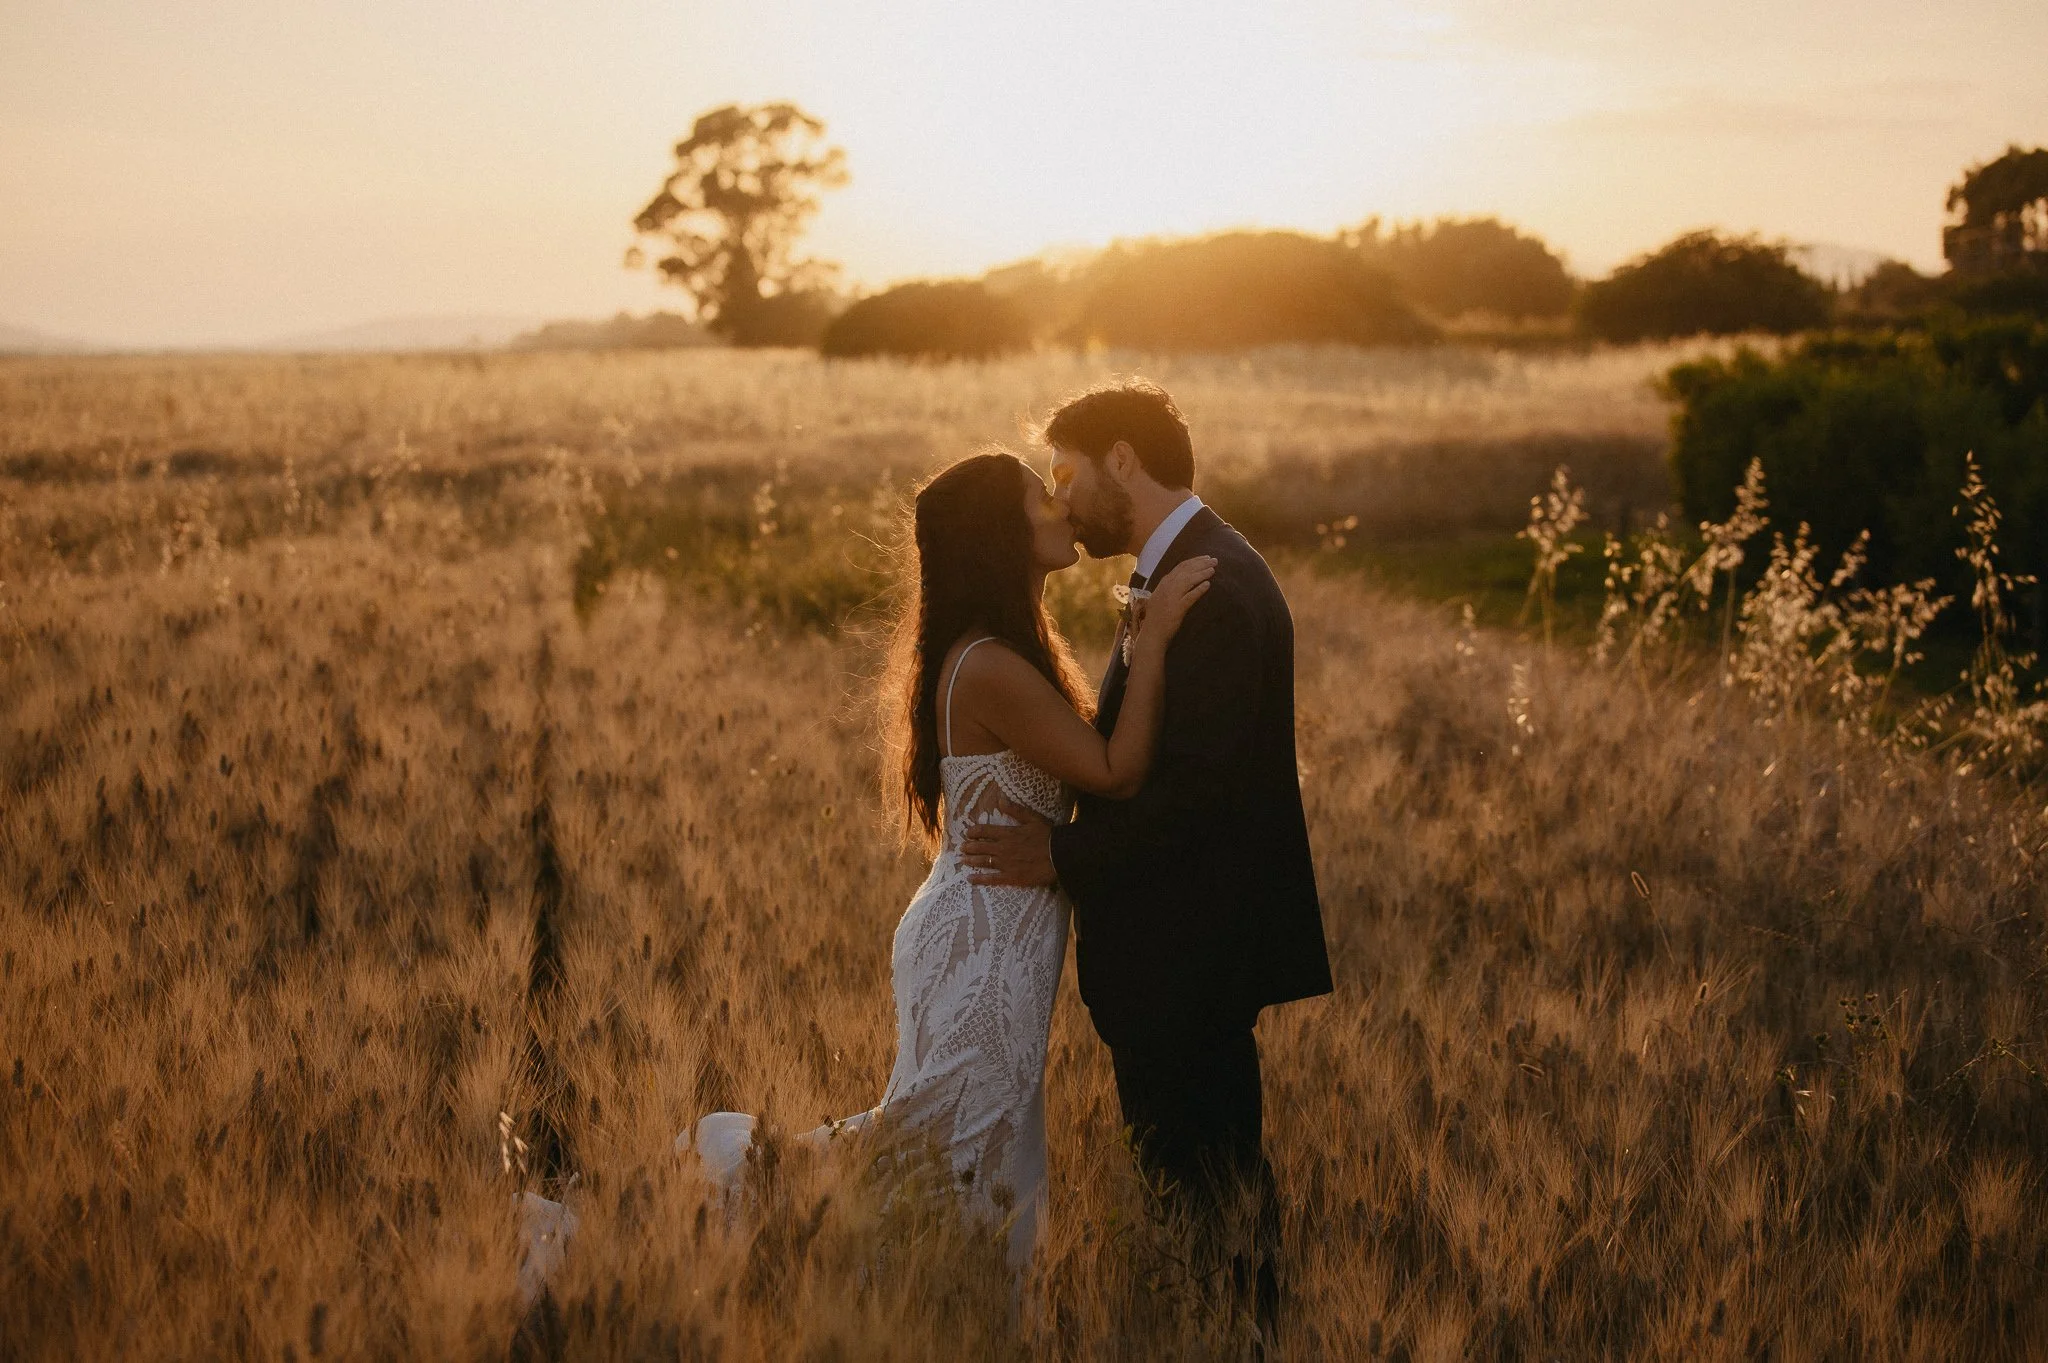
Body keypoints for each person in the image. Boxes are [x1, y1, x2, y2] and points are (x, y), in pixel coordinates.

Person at [514, 448, 1215, 1303]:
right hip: (985, 941)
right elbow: (1113, 771)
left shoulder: (1009, 647)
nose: (1062, 507)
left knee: (965, 1150)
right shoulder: (990, 661)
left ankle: (892, 1296)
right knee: (945, 1149)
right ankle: (673, 1229)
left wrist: (1133, 642)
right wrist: (1159, 639)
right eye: (1042, 498)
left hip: (989, 924)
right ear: (1002, 533)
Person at [961, 380, 1333, 1337]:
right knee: (1199, 1200)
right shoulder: (1190, 571)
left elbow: (1198, 800)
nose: (1062, 496)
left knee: (1213, 1201)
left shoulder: (1215, 586)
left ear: (1123, 459)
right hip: (1175, 957)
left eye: (1069, 472)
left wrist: (1062, 855)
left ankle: (1242, 1341)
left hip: (1190, 959)